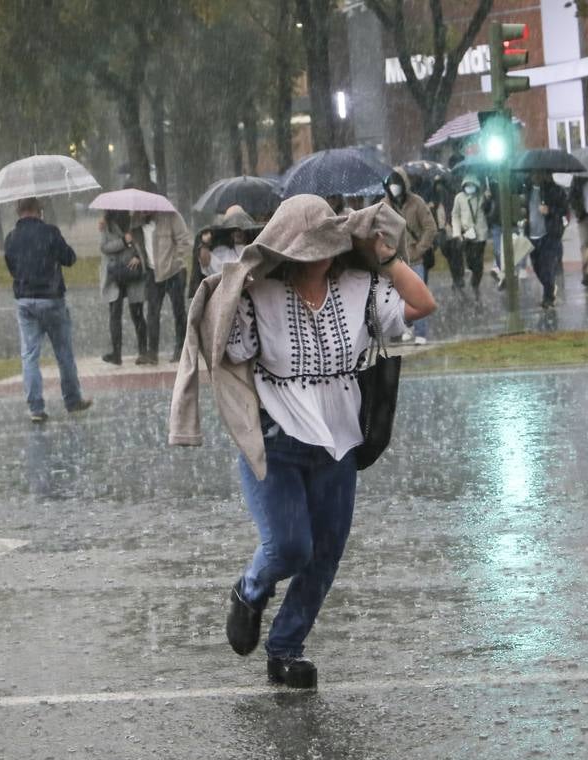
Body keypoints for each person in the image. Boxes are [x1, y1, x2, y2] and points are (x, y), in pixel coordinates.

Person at [168, 195, 437, 689]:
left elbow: (422, 304)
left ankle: (286, 648)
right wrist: (225, 292)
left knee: (326, 552)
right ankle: (250, 591)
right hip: (276, 440)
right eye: (305, 248)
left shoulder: (362, 287)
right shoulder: (259, 295)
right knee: (291, 546)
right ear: (286, 249)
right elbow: (226, 349)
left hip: (339, 442)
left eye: (325, 246)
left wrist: (387, 257)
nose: (316, 256)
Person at [3, 197, 92, 423]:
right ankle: (72, 400)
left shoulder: (11, 238)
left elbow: (12, 268)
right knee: (64, 353)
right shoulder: (50, 232)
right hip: (51, 299)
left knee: (30, 355)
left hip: (25, 300)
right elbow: (69, 258)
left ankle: (36, 407)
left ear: (19, 211)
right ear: (38, 210)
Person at [131, 202, 194, 363]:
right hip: (152, 273)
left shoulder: (171, 216)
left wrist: (176, 260)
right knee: (152, 313)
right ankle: (152, 353)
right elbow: (136, 244)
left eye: (147, 207)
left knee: (179, 312)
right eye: (141, 208)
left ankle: (181, 349)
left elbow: (185, 241)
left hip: (174, 272)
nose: (144, 210)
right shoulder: (136, 221)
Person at [382, 166, 436, 344]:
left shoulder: (417, 203)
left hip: (416, 258)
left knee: (418, 295)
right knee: (399, 296)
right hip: (396, 261)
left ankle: (421, 332)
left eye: (397, 184)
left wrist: (420, 248)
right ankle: (407, 327)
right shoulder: (385, 206)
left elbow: (430, 227)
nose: (394, 188)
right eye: (391, 184)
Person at [97, 210, 148, 366]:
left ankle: (143, 351)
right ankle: (116, 353)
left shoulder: (136, 224)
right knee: (115, 313)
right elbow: (104, 247)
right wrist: (124, 242)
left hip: (132, 273)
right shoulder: (106, 225)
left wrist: (138, 257)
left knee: (137, 312)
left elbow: (144, 246)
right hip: (115, 274)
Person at [524, 170, 569, 308]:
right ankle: (550, 286)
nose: (535, 176)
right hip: (532, 235)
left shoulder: (555, 190)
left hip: (549, 234)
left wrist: (549, 210)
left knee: (547, 267)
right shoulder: (526, 190)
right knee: (537, 267)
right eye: (533, 174)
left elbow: (564, 209)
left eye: (538, 174)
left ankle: (548, 297)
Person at [450, 175, 490, 295]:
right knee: (470, 260)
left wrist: (488, 200)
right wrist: (457, 232)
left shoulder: (482, 197)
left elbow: (489, 211)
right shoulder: (459, 198)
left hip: (480, 234)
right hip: (466, 235)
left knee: (478, 262)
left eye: (472, 185)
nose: (469, 187)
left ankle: (475, 283)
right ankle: (472, 275)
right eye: (467, 185)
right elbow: (455, 215)